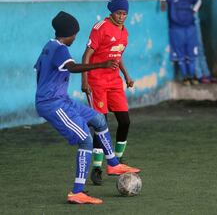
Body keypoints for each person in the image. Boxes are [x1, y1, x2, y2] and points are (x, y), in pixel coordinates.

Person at [34, 11, 140, 204]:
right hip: (52, 104)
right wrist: (101, 64)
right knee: (85, 140)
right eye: (74, 34)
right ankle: (77, 192)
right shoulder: (60, 49)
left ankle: (113, 164)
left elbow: (39, 72)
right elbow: (73, 68)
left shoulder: (48, 46)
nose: (75, 37)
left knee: (98, 119)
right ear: (69, 33)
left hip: (61, 99)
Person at [81, 0, 140, 186]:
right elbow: (86, 55)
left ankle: (118, 159)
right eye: (118, 13)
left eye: (125, 14)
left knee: (125, 120)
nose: (122, 17)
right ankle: (97, 167)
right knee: (101, 125)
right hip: (97, 81)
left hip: (114, 82)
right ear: (111, 12)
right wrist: (85, 80)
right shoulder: (100, 28)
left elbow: (117, 55)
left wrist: (126, 76)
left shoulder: (125, 32)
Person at [157, 0, 201, 86]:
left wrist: (194, 10)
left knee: (191, 55)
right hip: (176, 29)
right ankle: (186, 77)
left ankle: (192, 76)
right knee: (180, 56)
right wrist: (162, 1)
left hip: (190, 29)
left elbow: (199, 1)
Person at [182, 0, 213, 84]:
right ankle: (199, 75)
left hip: (195, 22)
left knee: (200, 48)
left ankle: (206, 73)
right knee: (194, 49)